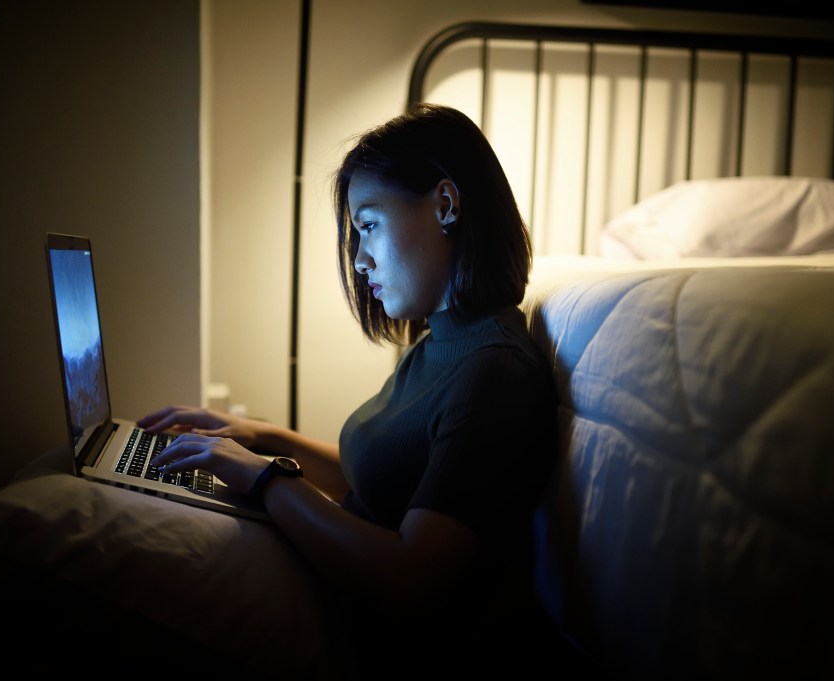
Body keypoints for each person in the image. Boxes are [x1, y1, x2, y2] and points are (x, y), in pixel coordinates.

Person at [141, 103, 562, 679]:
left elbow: (411, 580)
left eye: (368, 225)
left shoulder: (496, 372)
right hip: (322, 596)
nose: (360, 260)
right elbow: (387, 481)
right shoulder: (442, 343)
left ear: (445, 204)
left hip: (365, 646)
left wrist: (265, 480)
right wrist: (256, 438)